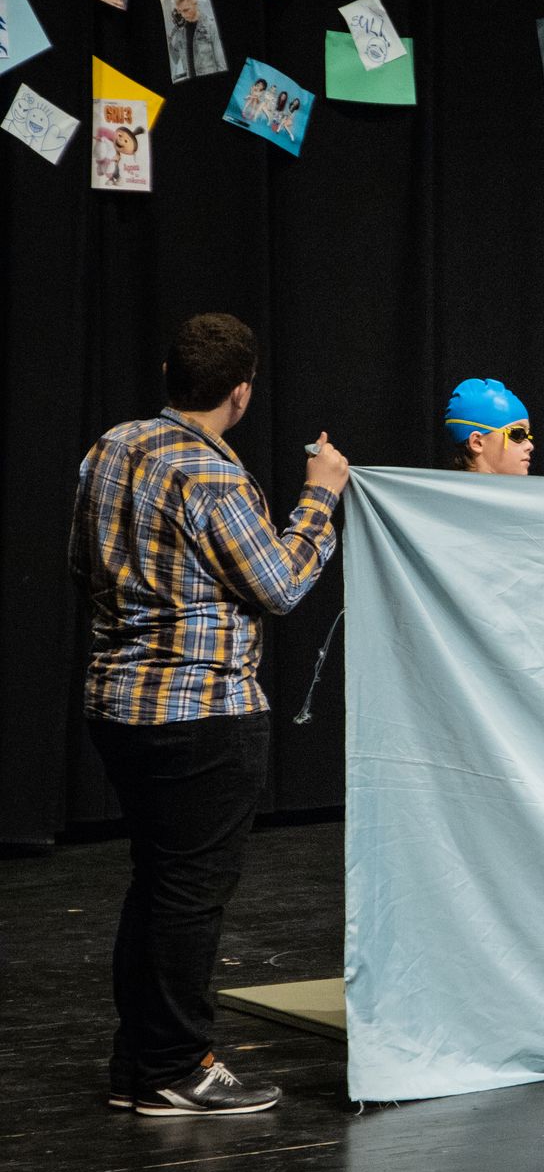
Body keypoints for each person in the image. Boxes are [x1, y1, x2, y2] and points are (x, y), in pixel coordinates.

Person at [69, 313, 350, 1115]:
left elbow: (82, 565)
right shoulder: (214, 477)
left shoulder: (111, 447)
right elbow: (280, 584)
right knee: (188, 894)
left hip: (118, 706)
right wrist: (320, 496)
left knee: (158, 884)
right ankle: (177, 1065)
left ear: (169, 372)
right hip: (201, 714)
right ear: (241, 393)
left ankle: (139, 1064)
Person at [444, 378, 544, 479]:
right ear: (477, 442)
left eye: (527, 436)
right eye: (518, 434)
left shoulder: (517, 498)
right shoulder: (459, 506)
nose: (530, 446)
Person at [165, 0, 225, 82]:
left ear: (195, 4)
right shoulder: (181, 31)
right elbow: (176, 58)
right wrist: (169, 43)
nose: (183, 15)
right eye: (180, 11)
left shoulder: (211, 26)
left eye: (186, 10)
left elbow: (222, 65)